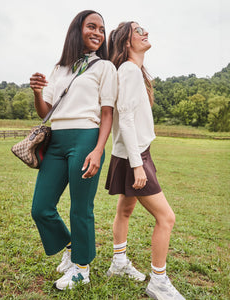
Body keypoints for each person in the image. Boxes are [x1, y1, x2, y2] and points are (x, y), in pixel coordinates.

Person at [30, 10, 117, 290]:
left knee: (81, 209)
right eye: (92, 26)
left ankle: (82, 268)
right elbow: (46, 111)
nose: (98, 33)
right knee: (41, 208)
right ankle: (70, 246)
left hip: (87, 139)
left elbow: (107, 114)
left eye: (102, 29)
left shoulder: (105, 67)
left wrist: (98, 149)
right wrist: (37, 92)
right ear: (76, 29)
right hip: (56, 140)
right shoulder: (61, 68)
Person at [105, 22, 185, 299]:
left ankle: (118, 264)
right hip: (132, 156)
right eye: (138, 30)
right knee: (166, 218)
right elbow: (124, 117)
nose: (145, 33)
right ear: (127, 42)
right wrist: (138, 164)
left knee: (125, 211)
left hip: (132, 153)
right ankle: (158, 282)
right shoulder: (128, 69)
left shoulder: (133, 71)